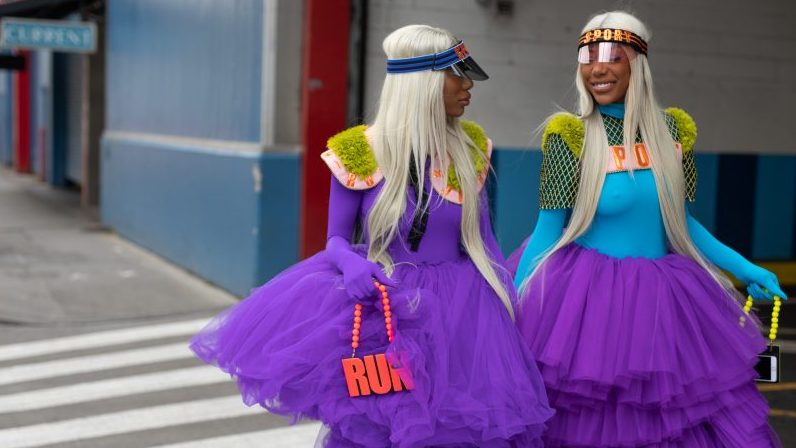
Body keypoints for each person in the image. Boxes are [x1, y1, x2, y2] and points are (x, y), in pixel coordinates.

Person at [191, 24, 552, 447]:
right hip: (384, 307)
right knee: (380, 428)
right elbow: (335, 239)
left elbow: (483, 241)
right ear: (424, 83)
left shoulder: (472, 148)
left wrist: (507, 311)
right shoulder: (358, 151)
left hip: (463, 316)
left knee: (451, 431)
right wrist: (350, 264)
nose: (468, 85)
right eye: (458, 74)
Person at [512, 11, 785, 447]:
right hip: (587, 310)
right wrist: (514, 304)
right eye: (586, 57)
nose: (597, 68)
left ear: (637, 63)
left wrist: (746, 268)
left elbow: (682, 224)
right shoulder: (569, 137)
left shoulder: (674, 132)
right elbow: (547, 231)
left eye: (612, 56)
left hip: (667, 306)